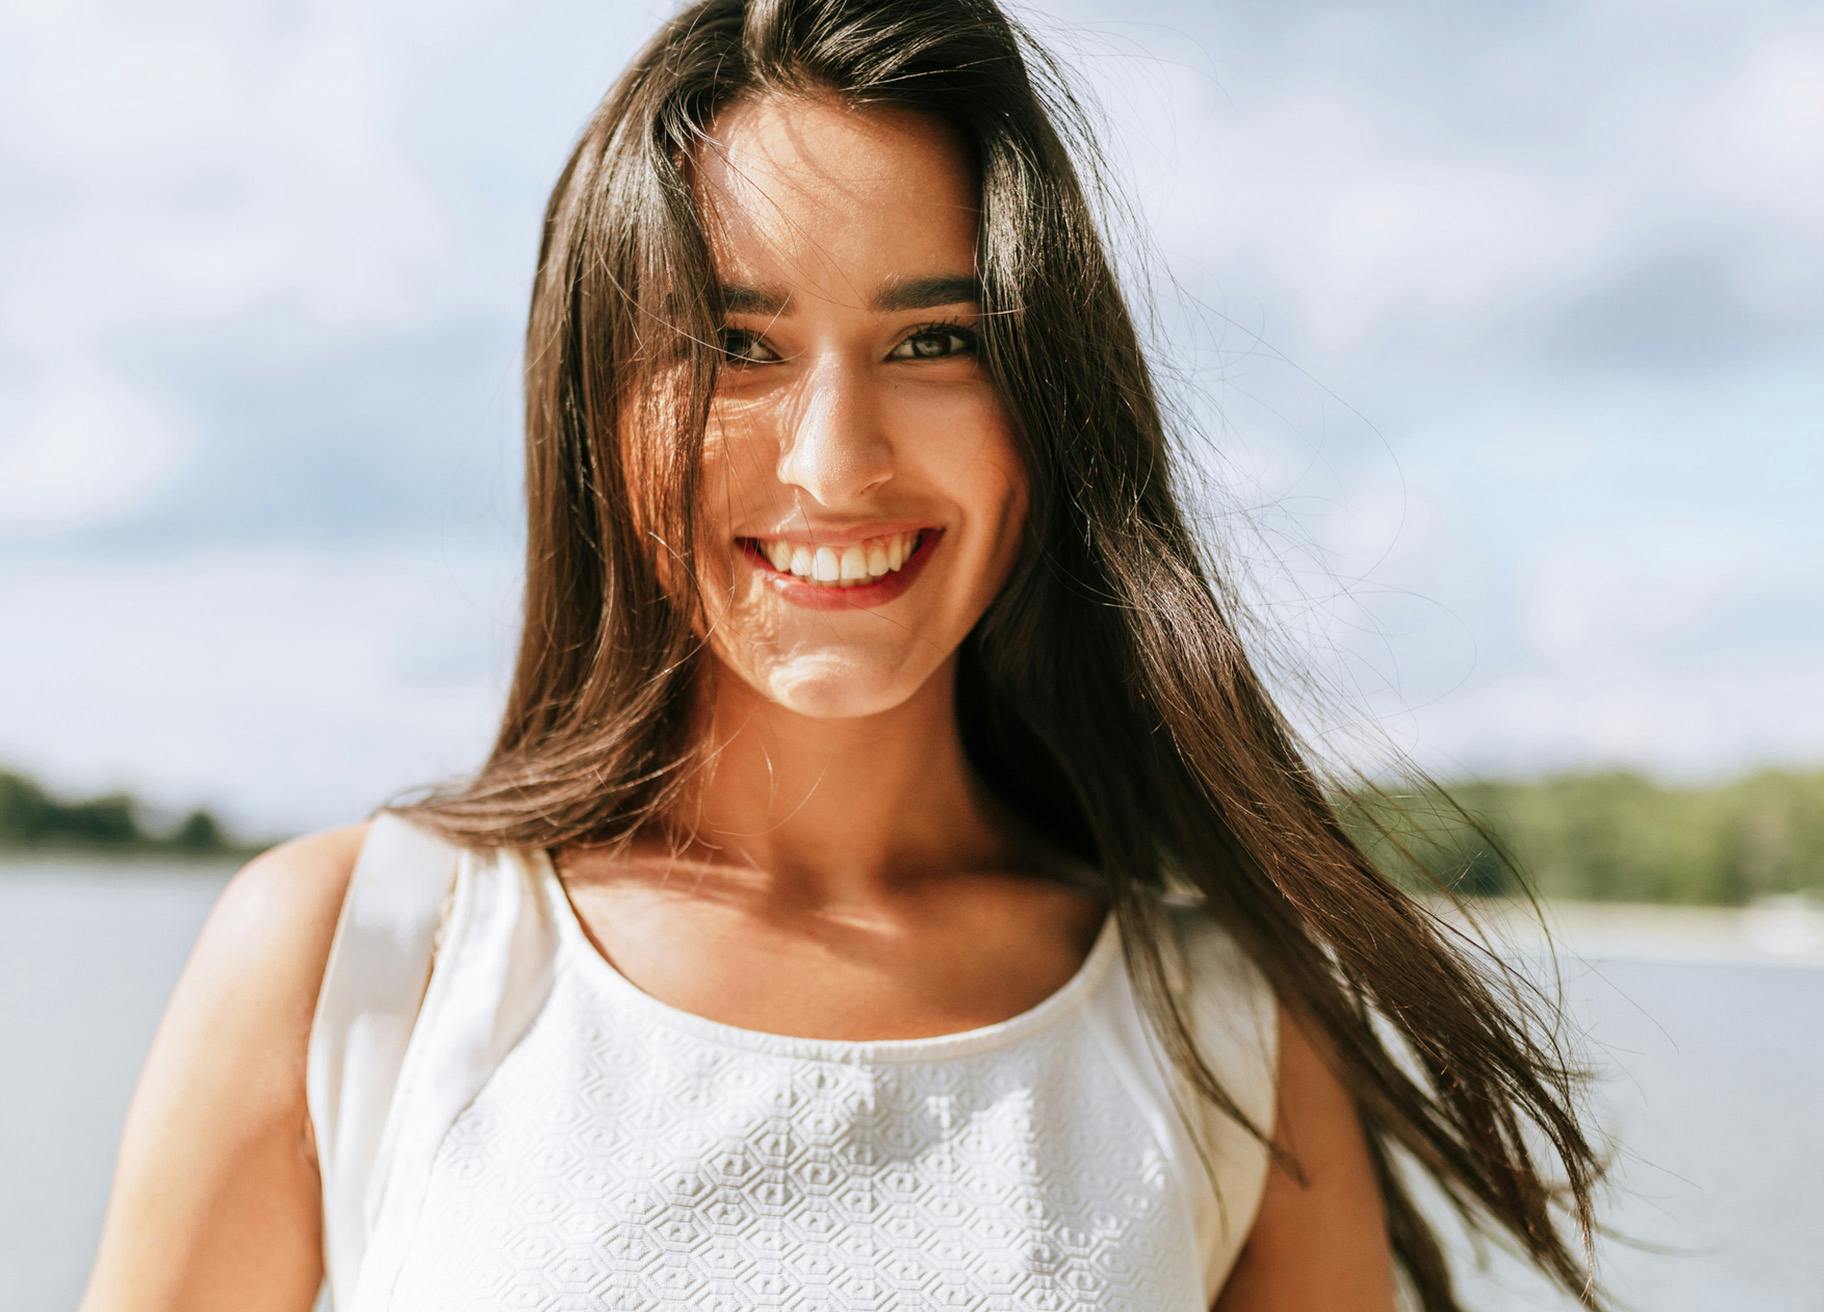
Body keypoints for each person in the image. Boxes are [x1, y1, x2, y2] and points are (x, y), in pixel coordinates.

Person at [79, 1, 1609, 1308]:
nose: (835, 460)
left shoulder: (1223, 1035)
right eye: (737, 345)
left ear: (1045, 410)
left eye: (935, 340)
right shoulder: (355, 959)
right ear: (594, 404)